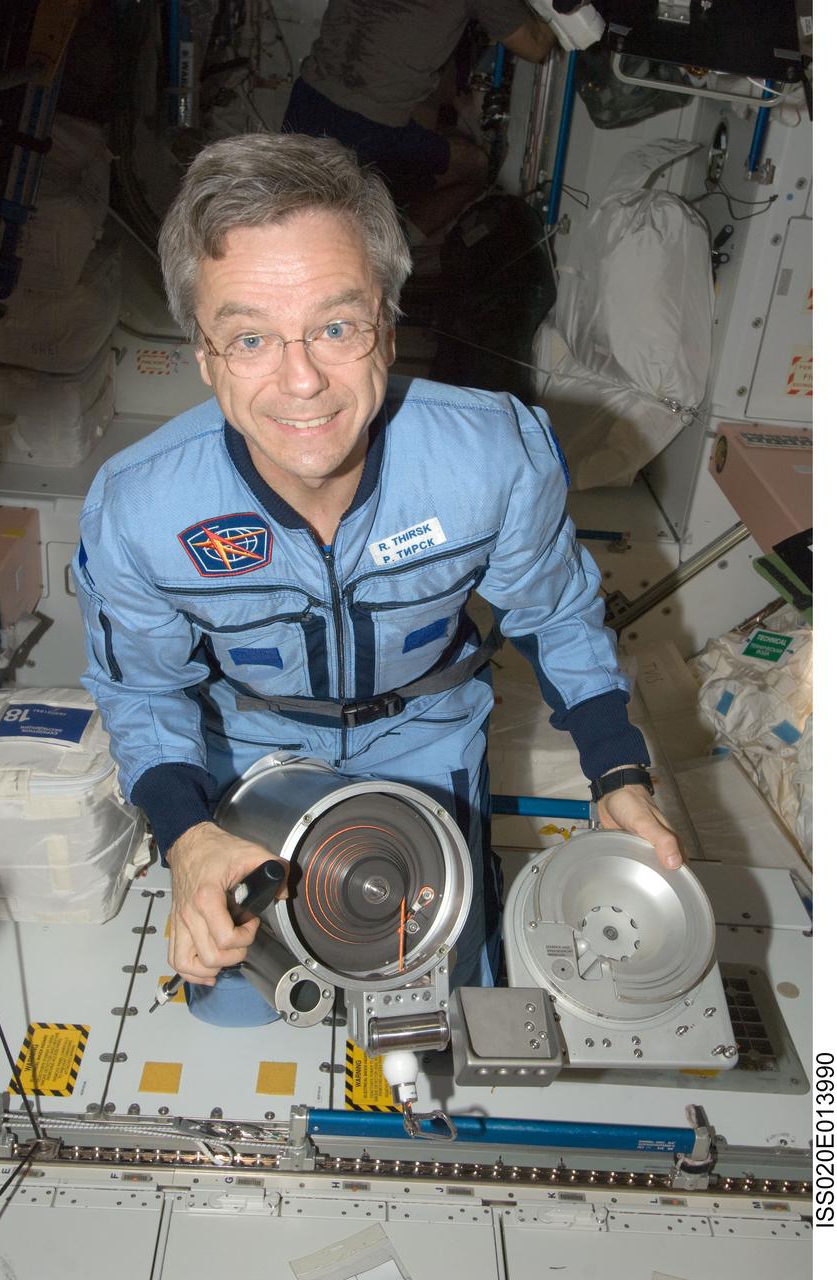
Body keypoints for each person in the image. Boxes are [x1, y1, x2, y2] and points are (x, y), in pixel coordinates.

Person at [72, 132, 682, 1027]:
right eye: (250, 338)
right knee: (233, 1006)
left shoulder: (494, 456)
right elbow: (143, 689)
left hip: (424, 736)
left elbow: (555, 614)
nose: (302, 382)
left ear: (387, 330)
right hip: (252, 747)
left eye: (335, 327)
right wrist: (188, 836)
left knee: (443, 1000)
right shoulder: (139, 511)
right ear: (204, 355)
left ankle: (470, 871)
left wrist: (616, 770)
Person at [282, 0, 557, 236]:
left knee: (299, 211)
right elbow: (536, 46)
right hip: (371, 125)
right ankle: (399, 250)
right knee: (474, 166)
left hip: (309, 98)